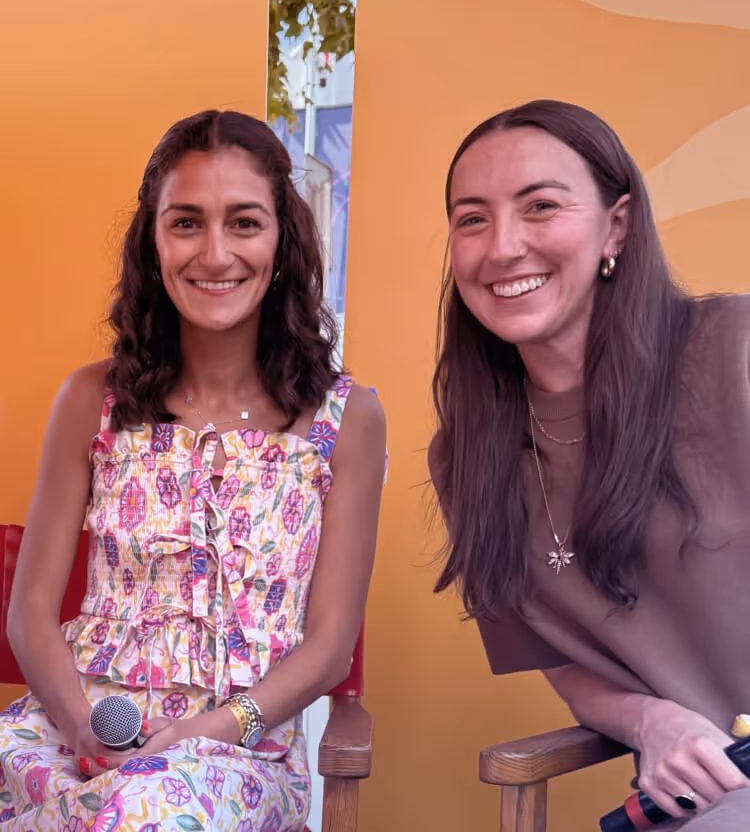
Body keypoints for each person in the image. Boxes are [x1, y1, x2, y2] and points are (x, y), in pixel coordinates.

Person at [1, 110, 386, 831]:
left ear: (284, 240)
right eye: (186, 223)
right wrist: (82, 727)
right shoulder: (91, 399)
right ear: (152, 241)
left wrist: (210, 730)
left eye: (244, 222)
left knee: (141, 814)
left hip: (239, 755)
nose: (214, 254)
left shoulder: (347, 418)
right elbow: (29, 613)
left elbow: (331, 645)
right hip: (75, 731)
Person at [429, 100, 750, 829]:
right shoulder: (467, 456)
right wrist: (652, 723)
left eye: (540, 206)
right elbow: (564, 661)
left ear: (617, 225)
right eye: (472, 218)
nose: (504, 246)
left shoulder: (737, 349)